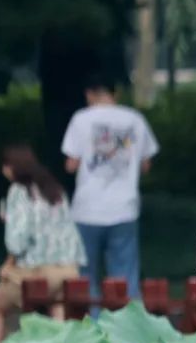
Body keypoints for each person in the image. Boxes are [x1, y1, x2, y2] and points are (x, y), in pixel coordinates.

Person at [61, 72, 158, 312]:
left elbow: (71, 163)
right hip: (124, 208)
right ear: (116, 92)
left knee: (86, 277)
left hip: (87, 210)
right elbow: (146, 164)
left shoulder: (80, 119)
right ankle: (129, 330)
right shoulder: (135, 119)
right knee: (125, 276)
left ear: (89, 94)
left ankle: (93, 329)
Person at [0, 145, 87, 342]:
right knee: (57, 303)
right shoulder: (55, 189)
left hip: (35, 273)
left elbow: (17, 242)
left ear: (12, 167)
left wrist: (8, 264)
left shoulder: (18, 192)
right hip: (67, 271)